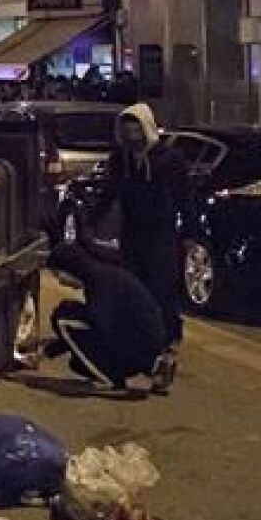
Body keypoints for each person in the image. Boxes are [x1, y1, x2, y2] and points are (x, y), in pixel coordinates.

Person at [108, 102, 186, 392]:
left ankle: (167, 346)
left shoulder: (169, 160)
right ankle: (138, 351)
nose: (131, 132)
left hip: (160, 235)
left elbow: (183, 197)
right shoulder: (121, 160)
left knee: (161, 291)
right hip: (133, 235)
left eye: (135, 126)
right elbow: (109, 192)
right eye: (126, 127)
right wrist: (89, 223)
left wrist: (188, 231)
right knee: (134, 292)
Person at [42, 244, 168, 393]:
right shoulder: (103, 275)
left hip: (138, 347)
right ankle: (150, 366)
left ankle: (110, 379)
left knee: (62, 317)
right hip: (146, 343)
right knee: (78, 364)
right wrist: (46, 353)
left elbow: (98, 323)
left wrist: (50, 350)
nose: (60, 282)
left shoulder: (99, 282)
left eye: (58, 274)